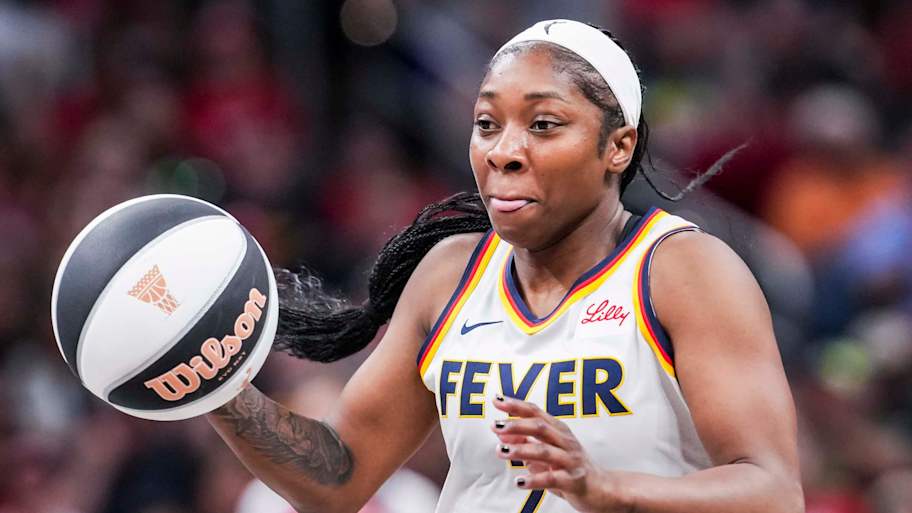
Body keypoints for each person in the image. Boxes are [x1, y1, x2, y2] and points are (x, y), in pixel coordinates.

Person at [207, 19, 803, 513]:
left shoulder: (682, 268)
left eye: (543, 125)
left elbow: (773, 491)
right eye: (487, 125)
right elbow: (340, 478)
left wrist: (604, 488)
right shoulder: (449, 273)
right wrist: (220, 390)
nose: (504, 151)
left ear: (617, 146)